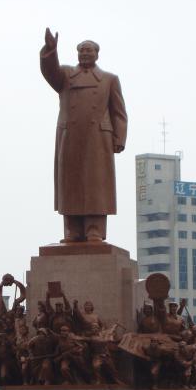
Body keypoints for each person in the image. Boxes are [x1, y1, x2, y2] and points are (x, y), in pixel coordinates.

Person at [40, 28, 127, 243]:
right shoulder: (67, 76)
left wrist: (119, 138)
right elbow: (49, 72)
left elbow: (119, 112)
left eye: (89, 51)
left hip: (98, 138)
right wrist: (51, 50)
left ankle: (94, 229)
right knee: (71, 183)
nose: (85, 54)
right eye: (82, 51)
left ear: (97, 54)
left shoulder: (109, 79)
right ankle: (72, 230)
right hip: (70, 136)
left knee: (96, 184)